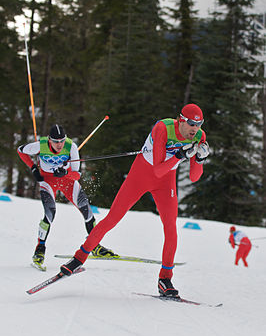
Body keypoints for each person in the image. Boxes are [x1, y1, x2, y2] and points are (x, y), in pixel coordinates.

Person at [60, 103, 210, 297]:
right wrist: (180, 155)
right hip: (141, 176)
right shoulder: (163, 128)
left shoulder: (199, 136)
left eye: (199, 124)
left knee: (171, 229)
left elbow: (194, 177)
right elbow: (157, 169)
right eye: (191, 123)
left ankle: (165, 279)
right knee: (112, 219)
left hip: (165, 183)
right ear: (181, 120)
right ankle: (78, 258)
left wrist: (199, 160)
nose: (195, 128)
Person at [17, 124, 118, 271]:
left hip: (67, 181)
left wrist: (65, 174)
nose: (59, 145)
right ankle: (40, 249)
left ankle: (94, 245)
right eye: (56, 141)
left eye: (62, 141)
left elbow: (77, 174)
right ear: (49, 140)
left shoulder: (71, 147)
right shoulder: (40, 145)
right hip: (48, 181)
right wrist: (33, 168)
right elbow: (20, 151)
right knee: (50, 213)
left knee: (87, 211)